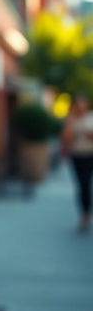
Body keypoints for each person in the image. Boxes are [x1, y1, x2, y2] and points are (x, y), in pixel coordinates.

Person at [61, 93, 93, 232]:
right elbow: (66, 139)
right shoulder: (70, 119)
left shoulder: (91, 117)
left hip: (91, 154)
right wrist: (71, 121)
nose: (80, 107)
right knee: (83, 185)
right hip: (78, 156)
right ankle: (85, 214)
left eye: (82, 104)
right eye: (77, 105)